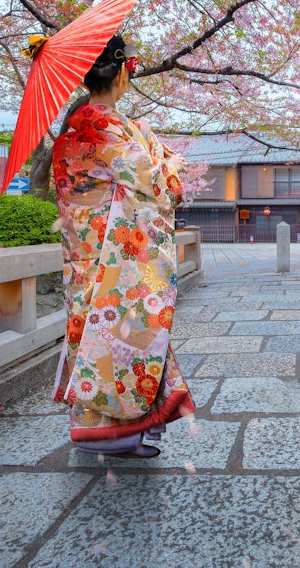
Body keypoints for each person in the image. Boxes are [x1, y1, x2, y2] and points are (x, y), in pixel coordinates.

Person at [51, 34, 194, 458]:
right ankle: (121, 435)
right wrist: (171, 161)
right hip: (117, 258)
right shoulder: (110, 131)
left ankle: (96, 427)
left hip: (85, 256)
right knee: (126, 336)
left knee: (92, 336)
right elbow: (163, 185)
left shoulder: (73, 132)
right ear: (122, 72)